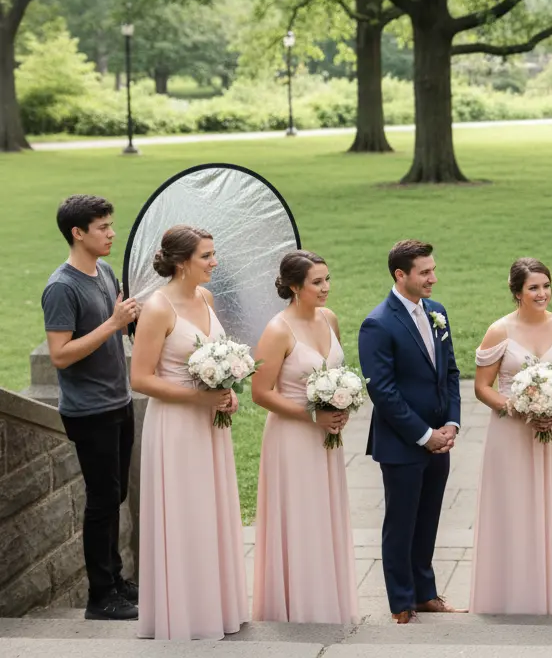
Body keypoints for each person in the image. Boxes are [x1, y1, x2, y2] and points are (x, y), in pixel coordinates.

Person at [129, 225, 248, 640]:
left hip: (211, 426)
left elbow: (217, 360)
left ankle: (216, 605)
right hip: (176, 428)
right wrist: (198, 398)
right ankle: (182, 613)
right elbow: (140, 378)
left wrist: (227, 392)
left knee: (211, 511)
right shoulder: (157, 309)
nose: (215, 262)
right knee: (184, 513)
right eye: (207, 256)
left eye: (214, 254)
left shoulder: (206, 298)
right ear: (181, 263)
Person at [42, 195, 140, 621]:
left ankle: (116, 579)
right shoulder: (61, 287)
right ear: (77, 233)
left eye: (111, 225)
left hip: (119, 400)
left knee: (114, 495)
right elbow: (60, 355)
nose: (111, 233)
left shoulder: (103, 270)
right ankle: (100, 596)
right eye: (102, 227)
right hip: (89, 411)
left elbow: (120, 324)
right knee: (101, 500)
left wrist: (131, 318)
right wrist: (113, 324)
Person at [471, 258, 552, 614]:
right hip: (511, 434)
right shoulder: (499, 331)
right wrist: (517, 408)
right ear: (517, 292)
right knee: (515, 507)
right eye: (533, 287)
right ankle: (512, 592)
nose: (542, 293)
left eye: (546, 285)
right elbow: (481, 387)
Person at [250, 251, 359, 625]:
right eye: (317, 282)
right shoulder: (278, 330)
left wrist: (342, 402)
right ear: (294, 287)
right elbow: (261, 392)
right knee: (299, 516)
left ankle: (327, 599)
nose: (326, 288)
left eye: (327, 279)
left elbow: (337, 372)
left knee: (324, 514)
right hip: (293, 437)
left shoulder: (330, 319)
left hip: (326, 437)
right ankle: (296, 604)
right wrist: (313, 414)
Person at [359, 240, 464, 624]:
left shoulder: (437, 312)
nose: (433, 278)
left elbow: (451, 373)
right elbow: (382, 391)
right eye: (425, 272)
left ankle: (425, 593)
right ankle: (401, 602)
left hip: (441, 439)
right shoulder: (378, 323)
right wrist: (424, 435)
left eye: (433, 269)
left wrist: (451, 423)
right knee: (401, 524)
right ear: (400, 275)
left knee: (428, 520)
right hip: (403, 443)